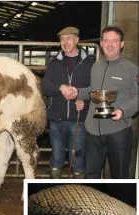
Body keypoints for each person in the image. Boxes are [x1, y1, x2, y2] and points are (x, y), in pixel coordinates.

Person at [73, 26, 138, 178]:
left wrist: (123, 111)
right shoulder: (96, 67)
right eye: (106, 41)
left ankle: (120, 202)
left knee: (120, 174)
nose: (110, 44)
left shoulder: (131, 69)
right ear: (101, 43)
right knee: (91, 174)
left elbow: (137, 96)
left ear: (122, 44)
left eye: (114, 41)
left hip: (118, 131)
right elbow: (94, 91)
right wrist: (78, 94)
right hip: (93, 130)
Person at [41, 27, 94, 179]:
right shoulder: (54, 62)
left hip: (78, 119)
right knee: (56, 157)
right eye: (62, 39)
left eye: (69, 38)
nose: (65, 42)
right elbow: (45, 86)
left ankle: (79, 188)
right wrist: (60, 87)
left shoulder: (89, 64)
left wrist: (85, 103)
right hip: (56, 118)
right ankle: (54, 185)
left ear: (77, 40)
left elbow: (95, 90)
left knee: (77, 157)